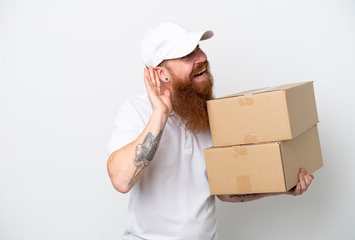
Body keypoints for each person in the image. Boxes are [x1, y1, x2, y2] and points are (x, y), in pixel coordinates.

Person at [106, 22, 314, 240]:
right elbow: (121, 181)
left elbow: (226, 191)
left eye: (198, 48)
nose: (202, 57)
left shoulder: (206, 114)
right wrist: (160, 114)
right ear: (161, 73)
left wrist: (283, 186)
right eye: (187, 54)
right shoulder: (135, 111)